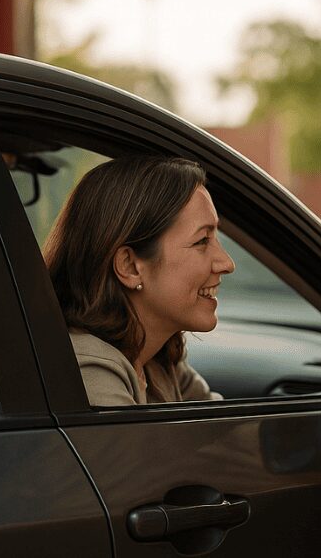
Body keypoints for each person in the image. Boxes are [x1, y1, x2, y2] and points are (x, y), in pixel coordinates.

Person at [44, 156, 235, 406]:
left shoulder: (156, 357)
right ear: (130, 266)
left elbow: (224, 426)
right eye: (202, 241)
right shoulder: (90, 372)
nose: (227, 263)